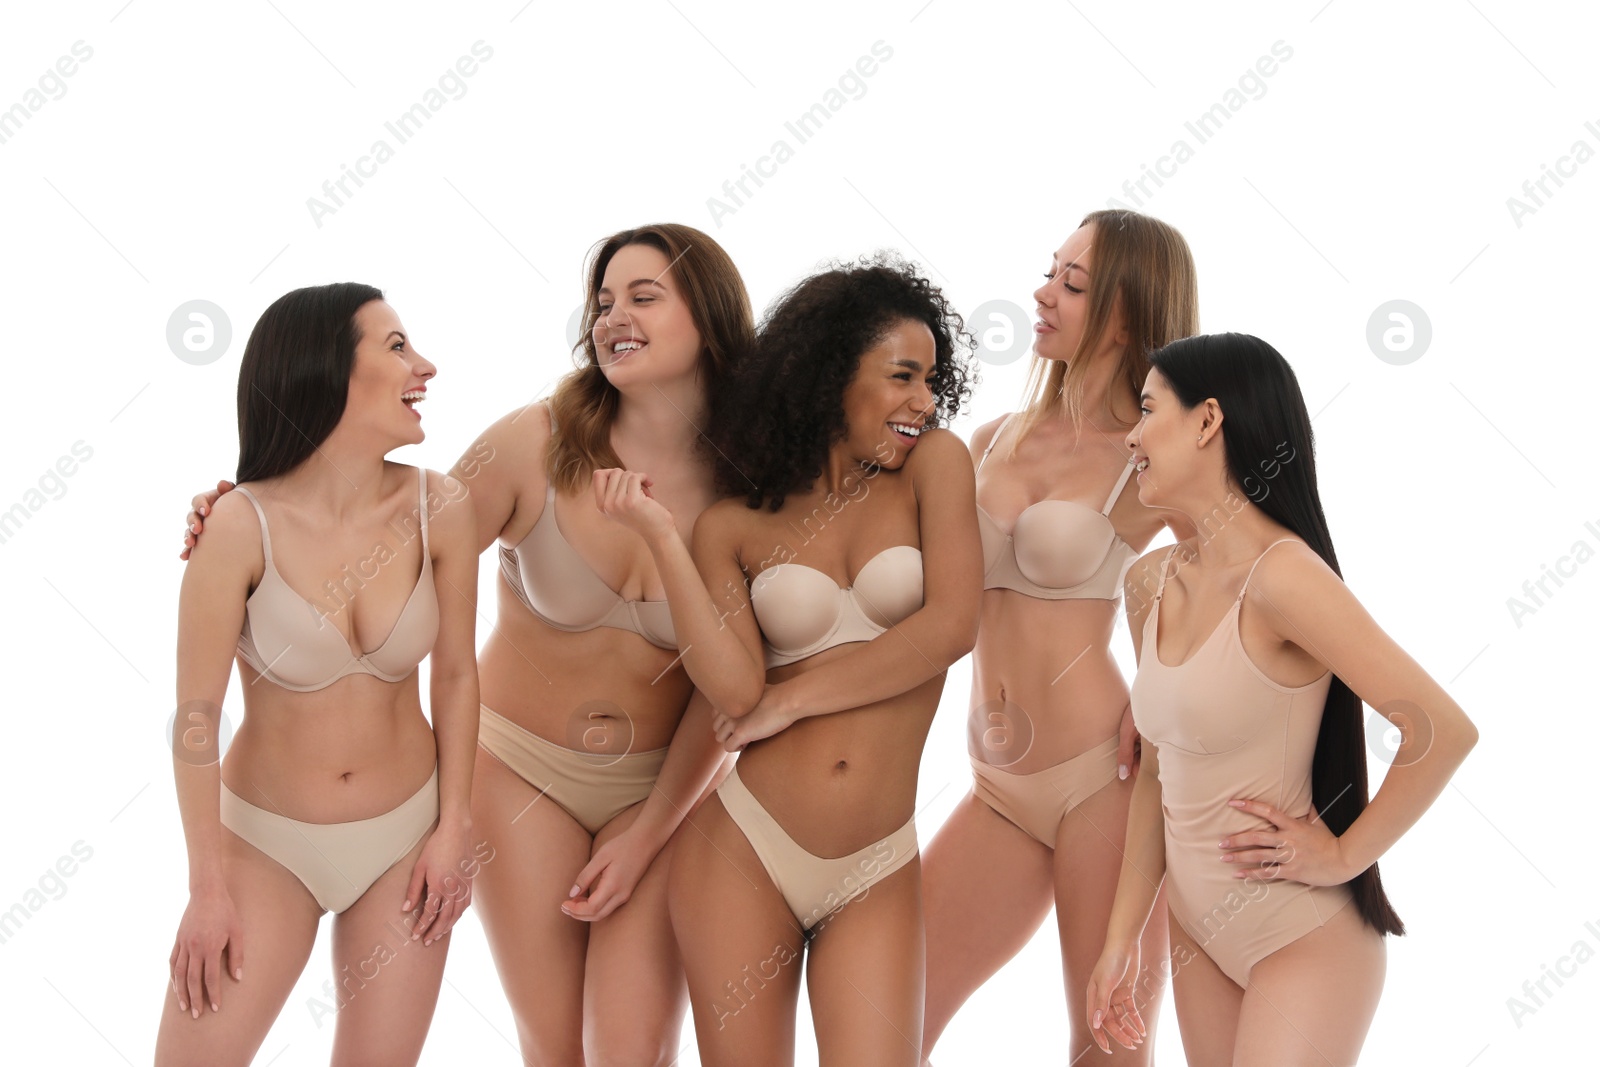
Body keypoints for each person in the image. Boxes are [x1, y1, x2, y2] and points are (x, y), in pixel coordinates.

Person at [181, 224, 752, 1065]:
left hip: (666, 784)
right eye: (600, 302)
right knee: (554, 1043)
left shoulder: (755, 478)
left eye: (642, 295)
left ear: (708, 317)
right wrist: (246, 512)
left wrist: (652, 828)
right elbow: (384, 546)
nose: (611, 317)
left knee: (633, 1046)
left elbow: (731, 690)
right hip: (518, 771)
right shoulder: (535, 441)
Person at [596, 254, 981, 1066]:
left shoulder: (935, 469)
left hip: (876, 857)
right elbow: (735, 687)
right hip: (742, 850)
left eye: (931, 379)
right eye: (903, 376)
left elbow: (950, 626)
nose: (924, 401)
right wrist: (664, 537)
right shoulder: (732, 524)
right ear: (831, 376)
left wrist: (792, 697)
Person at [1086, 332, 1478, 1064]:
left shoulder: (1283, 579)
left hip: (1302, 936)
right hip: (1199, 932)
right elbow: (1155, 774)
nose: (1131, 436)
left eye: (1147, 410)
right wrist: (1120, 941)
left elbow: (1442, 729)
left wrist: (1340, 857)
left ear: (1208, 421)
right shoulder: (1150, 583)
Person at [157, 284, 481, 1067]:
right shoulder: (237, 525)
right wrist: (206, 886)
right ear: (325, 368)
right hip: (265, 846)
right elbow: (197, 717)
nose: (424, 365)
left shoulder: (443, 504)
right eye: (397, 346)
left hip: (407, 839)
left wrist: (454, 826)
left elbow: (459, 678)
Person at [920, 209, 1197, 1064]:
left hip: (1100, 783)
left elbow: (1243, 581)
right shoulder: (989, 439)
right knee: (888, 1016)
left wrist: (1164, 695)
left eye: (1072, 284)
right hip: (997, 786)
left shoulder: (1148, 454)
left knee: (1106, 1045)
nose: (1042, 293)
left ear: (1124, 313)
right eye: (1051, 273)